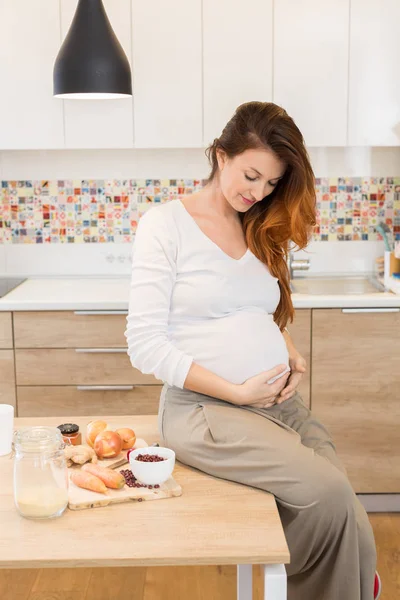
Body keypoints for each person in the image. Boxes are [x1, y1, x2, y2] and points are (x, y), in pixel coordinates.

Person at [125, 101, 379, 600]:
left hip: (279, 404)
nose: (259, 191)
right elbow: (144, 344)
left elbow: (258, 308)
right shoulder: (166, 225)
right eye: (252, 175)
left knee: (343, 500)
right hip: (207, 411)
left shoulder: (262, 225)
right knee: (328, 498)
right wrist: (237, 393)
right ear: (221, 155)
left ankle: (324, 581)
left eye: (271, 183)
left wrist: (287, 349)